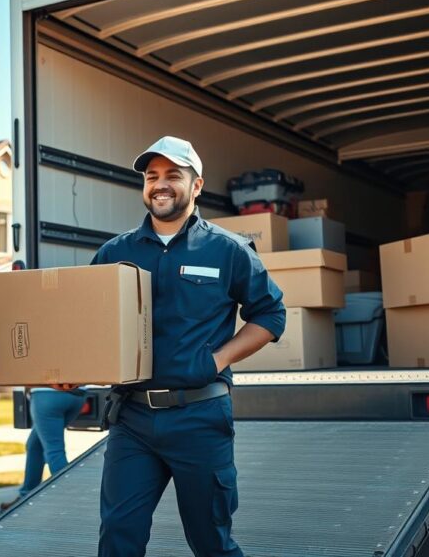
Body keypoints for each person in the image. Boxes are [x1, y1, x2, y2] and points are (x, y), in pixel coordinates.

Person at [86, 136, 286, 557]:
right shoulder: (114, 252)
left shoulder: (227, 250)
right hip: (133, 419)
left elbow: (270, 315)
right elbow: (91, 325)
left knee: (211, 540)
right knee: (118, 535)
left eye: (173, 176)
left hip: (199, 416)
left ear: (196, 186)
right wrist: (73, 369)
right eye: (151, 176)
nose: (160, 185)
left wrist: (218, 359)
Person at [0, 387, 86, 511]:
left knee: (54, 451)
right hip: (77, 395)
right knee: (34, 446)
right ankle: (26, 495)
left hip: (46, 394)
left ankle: (73, 500)